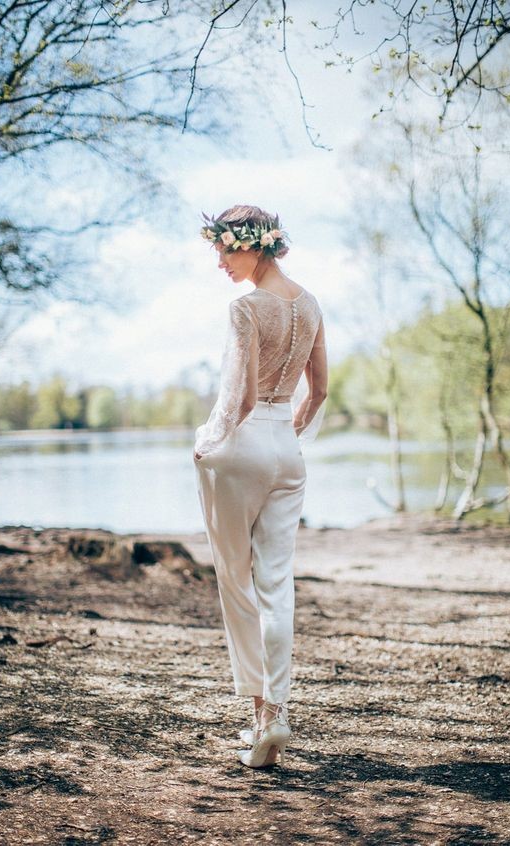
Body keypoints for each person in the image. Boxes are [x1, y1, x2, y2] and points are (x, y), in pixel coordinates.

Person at [193, 205, 328, 768]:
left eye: (224, 250)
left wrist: (209, 440)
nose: (220, 262)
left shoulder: (245, 309)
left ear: (252, 246)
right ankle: (277, 713)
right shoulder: (311, 304)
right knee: (277, 584)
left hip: (243, 444)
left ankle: (260, 721)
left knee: (236, 583)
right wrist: (286, 435)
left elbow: (240, 398)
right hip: (286, 452)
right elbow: (318, 391)